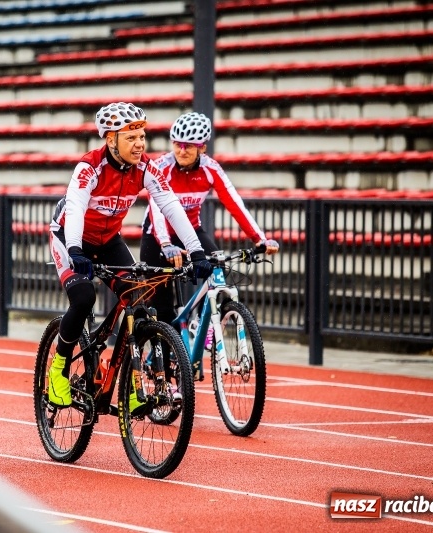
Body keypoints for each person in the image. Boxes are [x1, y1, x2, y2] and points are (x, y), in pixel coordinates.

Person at [48, 102, 213, 415]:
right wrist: (74, 249)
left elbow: (172, 208)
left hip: (108, 241)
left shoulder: (146, 168)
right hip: (70, 236)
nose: (140, 144)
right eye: (131, 137)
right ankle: (57, 370)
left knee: (138, 300)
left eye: (143, 136)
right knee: (82, 298)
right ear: (111, 140)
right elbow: (75, 208)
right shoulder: (89, 167)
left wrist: (197, 251)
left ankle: (133, 386)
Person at [139, 111, 280, 331]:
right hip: (157, 236)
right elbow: (156, 211)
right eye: (177, 144)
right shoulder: (161, 167)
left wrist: (259, 239)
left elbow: (235, 204)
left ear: (202, 147)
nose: (181, 151)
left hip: (190, 231)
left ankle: (204, 325)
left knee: (218, 268)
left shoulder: (210, 169)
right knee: (163, 311)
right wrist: (166, 245)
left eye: (189, 146)